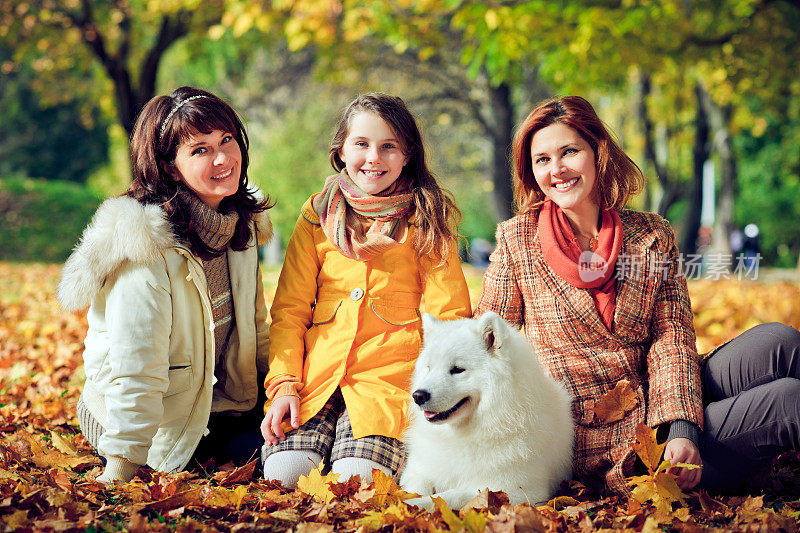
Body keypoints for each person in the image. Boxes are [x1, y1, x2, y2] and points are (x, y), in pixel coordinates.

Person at [474, 95, 800, 495]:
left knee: (781, 343)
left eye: (569, 152)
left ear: (597, 152)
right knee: (789, 401)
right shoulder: (517, 240)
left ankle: (698, 434)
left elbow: (673, 337)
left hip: (665, 391)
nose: (556, 169)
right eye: (542, 160)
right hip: (603, 439)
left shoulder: (651, 234)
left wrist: (681, 428)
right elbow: (482, 345)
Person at [58, 86, 273, 483]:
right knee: (288, 463)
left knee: (310, 442)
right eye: (200, 150)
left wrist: (282, 393)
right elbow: (137, 368)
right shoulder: (146, 248)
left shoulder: (239, 227)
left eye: (226, 140)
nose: (223, 157)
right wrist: (121, 466)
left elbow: (257, 332)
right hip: (162, 430)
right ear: (171, 167)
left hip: (218, 408)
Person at [260, 93, 472, 487]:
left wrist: (436, 392)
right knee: (283, 475)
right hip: (314, 381)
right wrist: (284, 384)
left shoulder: (425, 218)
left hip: (387, 383)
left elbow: (449, 317)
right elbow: (289, 310)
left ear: (407, 155)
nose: (373, 157)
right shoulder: (316, 216)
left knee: (355, 481)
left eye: (388, 146)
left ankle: (362, 446)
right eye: (362, 144)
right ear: (341, 151)